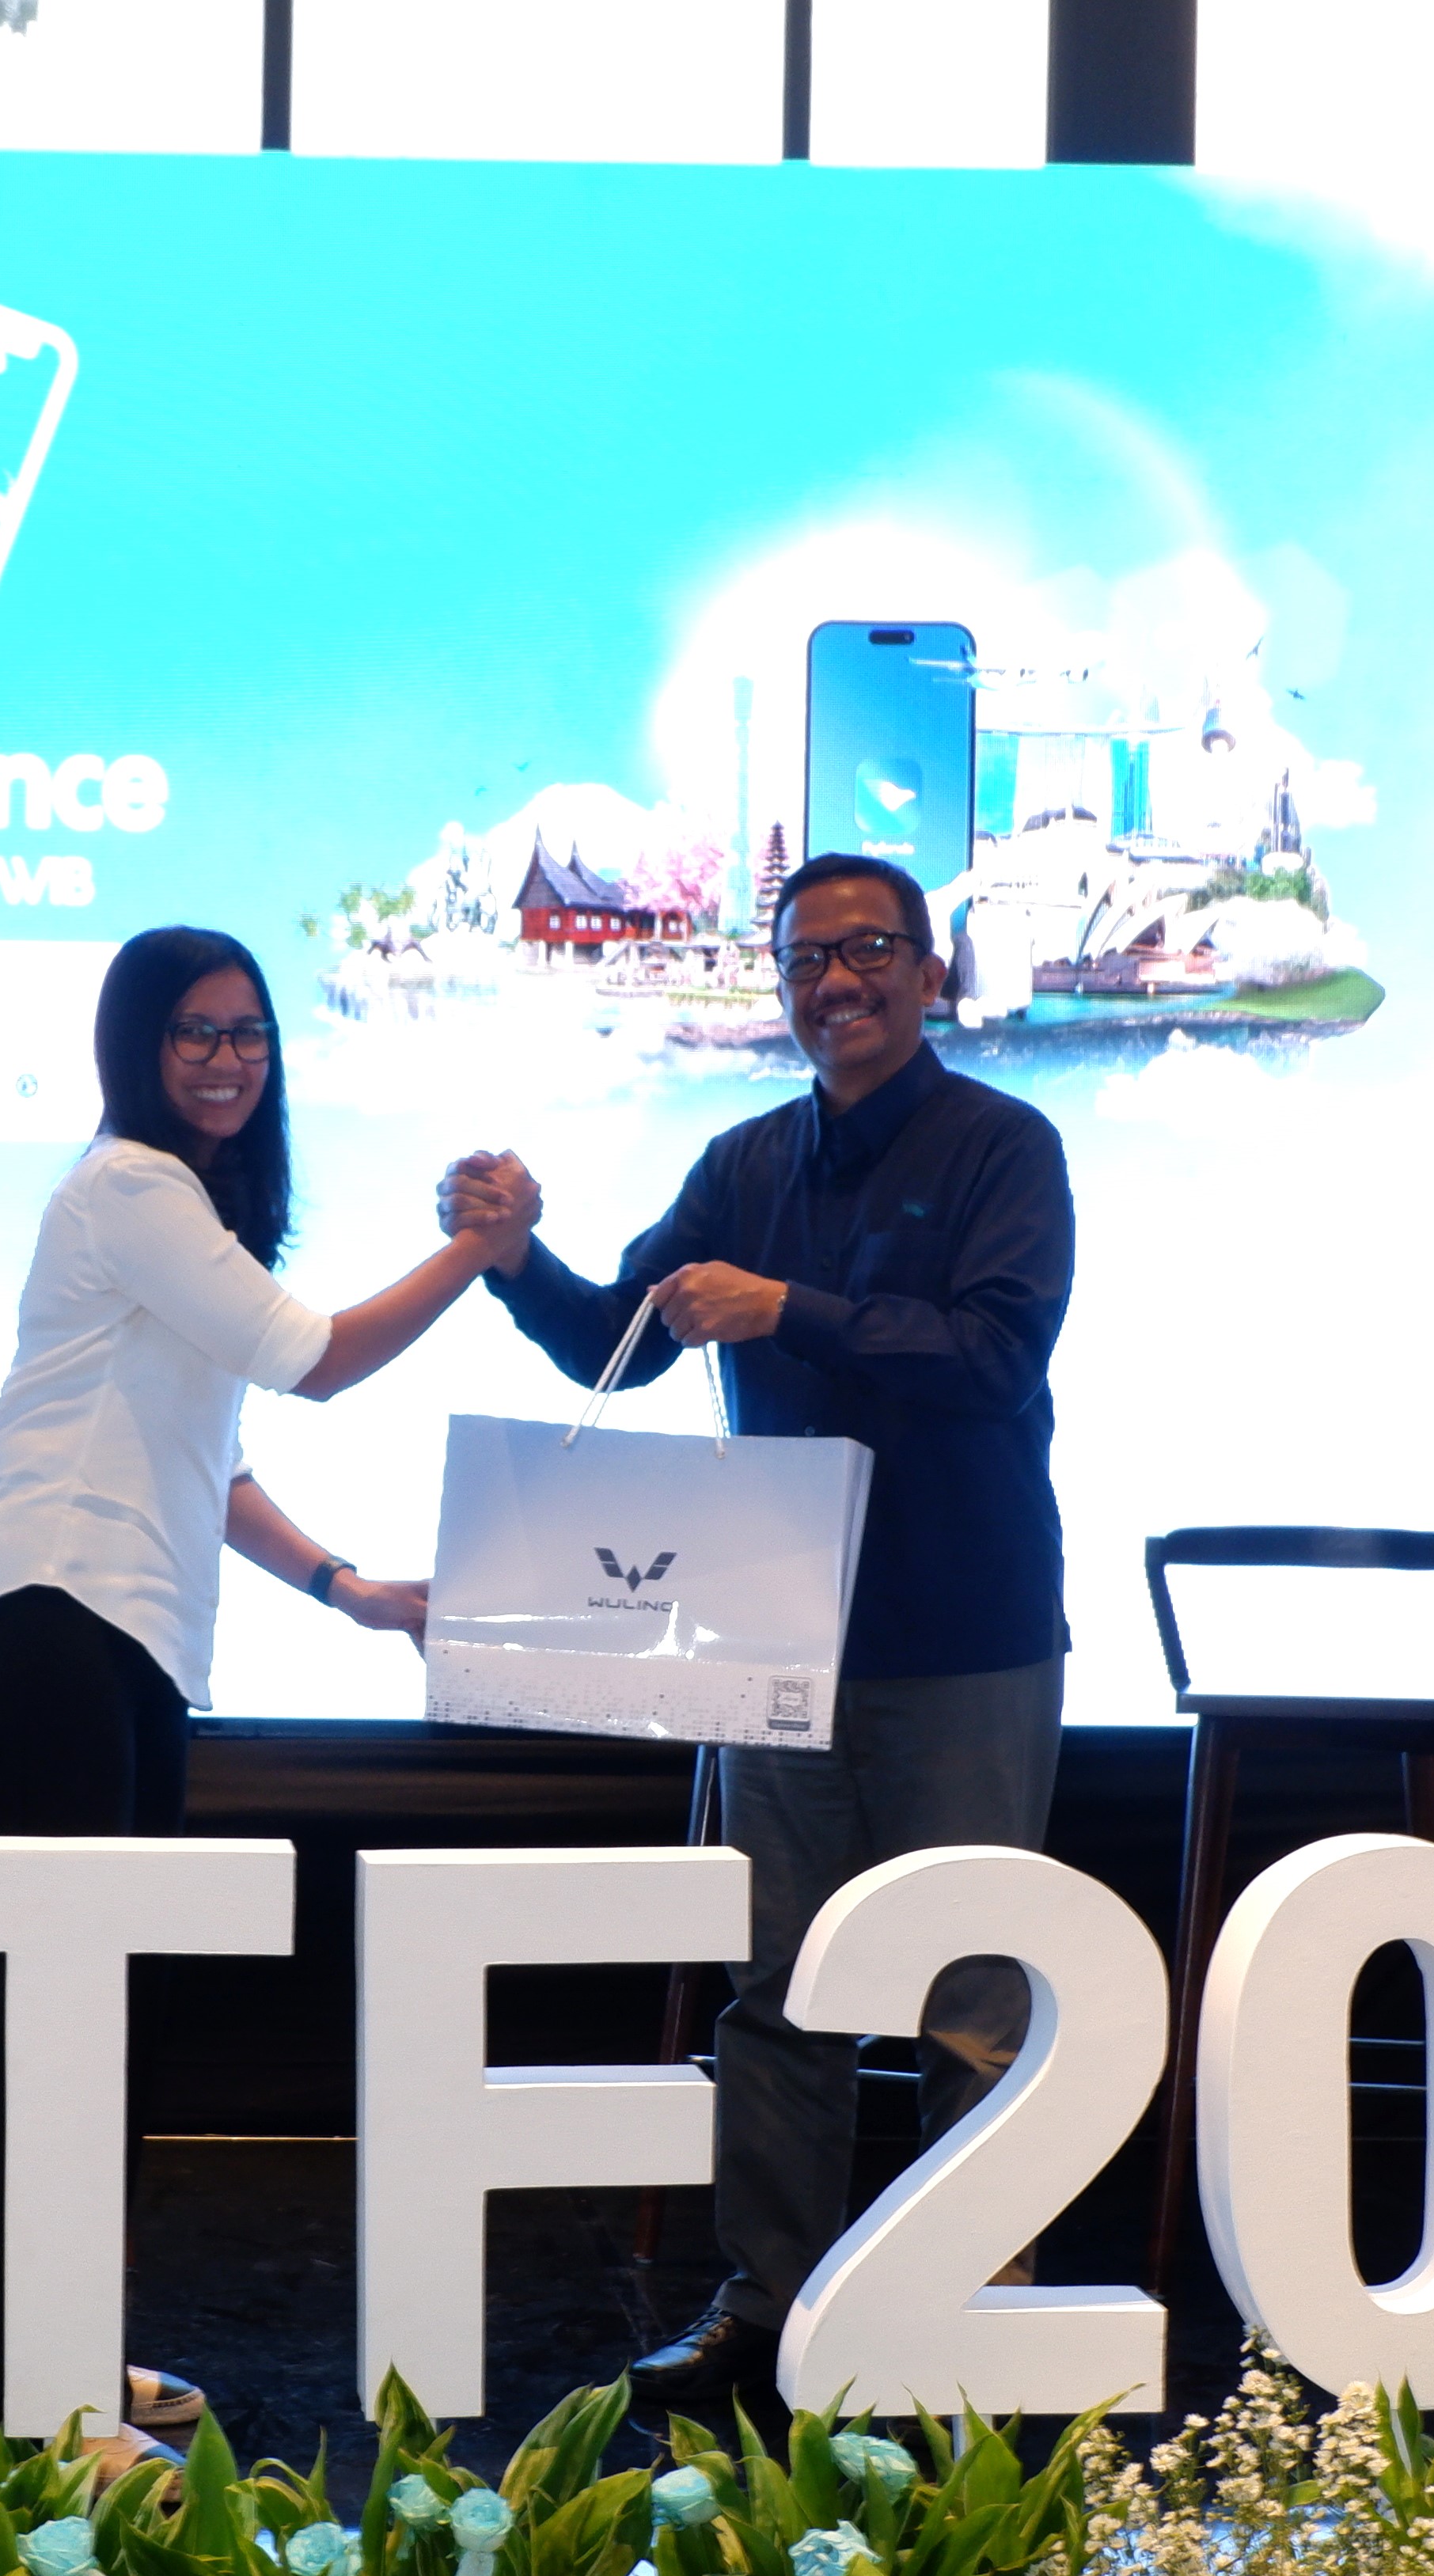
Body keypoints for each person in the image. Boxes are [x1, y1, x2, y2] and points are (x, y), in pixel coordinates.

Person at [450, 852, 1074, 2420]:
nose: (835, 982)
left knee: (972, 1994)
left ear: (929, 972)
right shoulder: (741, 1163)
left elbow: (994, 1355)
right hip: (774, 1630)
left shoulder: (1007, 1144)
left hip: (964, 1625)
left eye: (868, 951)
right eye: (806, 959)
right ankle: (773, 2305)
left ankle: (967, 2315)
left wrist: (786, 1307)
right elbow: (617, 1346)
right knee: (779, 1986)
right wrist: (515, 1256)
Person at [0, 922, 523, 2443]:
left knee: (103, 2014)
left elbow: (218, 1464)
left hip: (109, 1635)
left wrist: (348, 1590)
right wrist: (477, 1254)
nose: (226, 1057)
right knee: (56, 2018)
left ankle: (59, 2360)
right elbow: (315, 1360)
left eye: (249, 1032)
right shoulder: (131, 1185)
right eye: (194, 1030)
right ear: (139, 1047)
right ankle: (21, 2399)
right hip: (48, 1619)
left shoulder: (180, 1208)